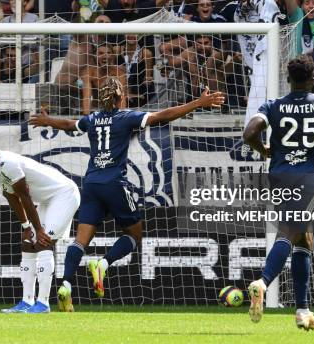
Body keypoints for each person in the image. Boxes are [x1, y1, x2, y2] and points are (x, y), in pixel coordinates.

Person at [29, 78, 224, 312]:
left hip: (90, 183)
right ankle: (103, 263)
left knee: (81, 240)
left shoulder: (92, 119)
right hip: (114, 183)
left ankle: (66, 285)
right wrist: (198, 103)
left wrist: (47, 120)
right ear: (122, 97)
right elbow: (162, 116)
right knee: (134, 233)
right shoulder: (126, 117)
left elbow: (71, 125)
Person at [243, 56, 314, 330]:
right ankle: (263, 282)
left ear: (288, 79)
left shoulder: (274, 105)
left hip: (279, 176)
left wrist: (263, 149)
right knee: (291, 230)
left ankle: (302, 310)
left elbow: (249, 132)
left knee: (304, 238)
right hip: (308, 178)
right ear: (313, 79)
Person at [0, 138, 80, 314]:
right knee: (28, 244)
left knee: (44, 242)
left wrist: (39, 230)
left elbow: (25, 197)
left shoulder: (8, 163)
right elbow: (11, 197)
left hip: (64, 194)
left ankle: (43, 304)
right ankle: (27, 301)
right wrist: (26, 227)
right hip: (46, 200)